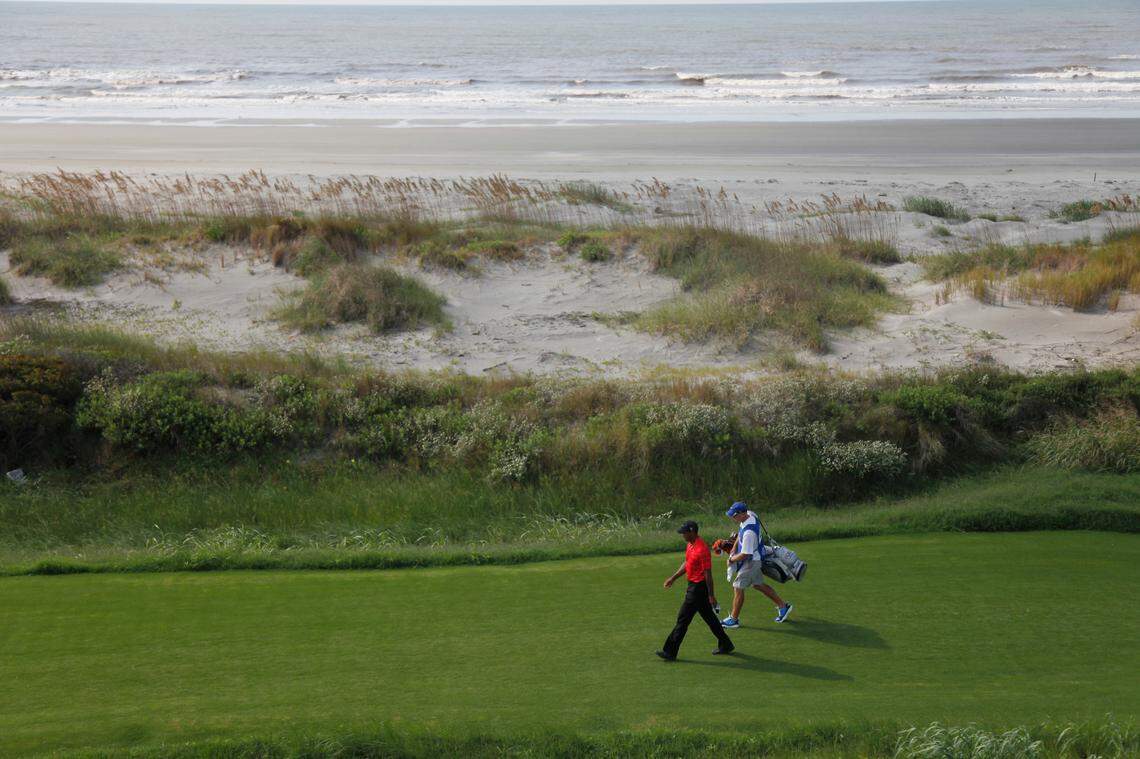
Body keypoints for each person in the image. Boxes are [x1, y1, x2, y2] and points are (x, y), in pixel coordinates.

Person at [656, 520, 735, 661]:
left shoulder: (702, 549)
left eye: (684, 532)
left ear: (692, 532)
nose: (682, 535)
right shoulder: (690, 545)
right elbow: (687, 563)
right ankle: (726, 644)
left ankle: (670, 652)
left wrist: (711, 596)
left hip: (699, 588)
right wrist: (673, 578)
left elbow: (708, 574)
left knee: (683, 619)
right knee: (710, 618)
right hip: (693, 585)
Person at [720, 501, 792, 629]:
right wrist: (734, 547)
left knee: (738, 587)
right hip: (755, 557)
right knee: (758, 585)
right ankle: (783, 606)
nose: (732, 517)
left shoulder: (749, 534)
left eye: (735, 515)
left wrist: (731, 559)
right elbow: (740, 529)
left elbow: (745, 555)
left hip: (751, 562)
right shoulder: (751, 515)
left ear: (742, 514)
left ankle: (733, 619)